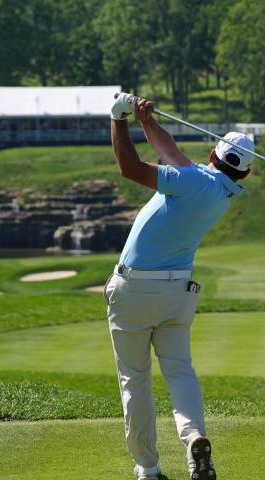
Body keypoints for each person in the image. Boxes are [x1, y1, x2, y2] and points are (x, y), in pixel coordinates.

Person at [107, 92, 252, 480]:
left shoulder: (193, 181)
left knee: (135, 379)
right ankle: (193, 441)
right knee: (180, 371)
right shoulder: (220, 191)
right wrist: (146, 121)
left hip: (135, 290)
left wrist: (118, 117)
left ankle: (148, 467)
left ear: (212, 154)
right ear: (245, 173)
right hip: (177, 296)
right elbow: (172, 154)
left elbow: (129, 167)